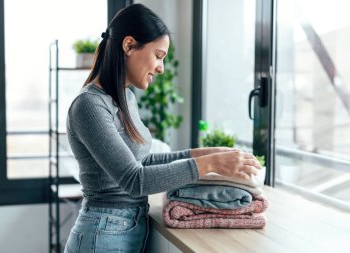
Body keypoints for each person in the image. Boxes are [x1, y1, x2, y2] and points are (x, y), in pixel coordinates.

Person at [64, 3, 262, 253]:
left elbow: (142, 162)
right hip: (100, 236)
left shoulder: (125, 98)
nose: (161, 68)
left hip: (120, 230)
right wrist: (211, 165)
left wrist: (208, 153)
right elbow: (134, 180)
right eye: (158, 55)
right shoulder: (89, 106)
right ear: (128, 46)